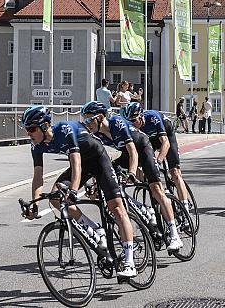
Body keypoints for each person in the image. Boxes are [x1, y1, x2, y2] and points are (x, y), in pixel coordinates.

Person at [21, 106, 136, 277]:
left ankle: (129, 261)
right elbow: (38, 176)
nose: (28, 133)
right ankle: (95, 229)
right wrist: (35, 205)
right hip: (82, 165)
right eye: (26, 129)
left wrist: (74, 191)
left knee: (116, 207)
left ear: (45, 126)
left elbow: (76, 165)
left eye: (31, 129)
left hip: (98, 160)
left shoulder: (65, 130)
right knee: (56, 198)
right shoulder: (35, 145)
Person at [80, 101, 183, 252]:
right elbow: (99, 161)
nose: (86, 124)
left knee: (156, 189)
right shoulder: (96, 134)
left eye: (89, 120)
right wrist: (96, 183)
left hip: (143, 149)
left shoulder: (117, 123)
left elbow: (133, 151)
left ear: (100, 117)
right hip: (126, 155)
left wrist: (132, 174)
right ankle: (144, 209)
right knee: (111, 184)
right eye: (84, 120)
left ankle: (175, 235)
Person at [123, 103, 192, 214]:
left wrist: (158, 161)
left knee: (175, 172)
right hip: (150, 139)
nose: (132, 124)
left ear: (141, 116)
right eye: (129, 121)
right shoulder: (133, 128)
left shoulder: (152, 117)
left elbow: (165, 143)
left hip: (166, 134)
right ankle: (162, 194)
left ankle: (185, 208)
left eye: (134, 120)